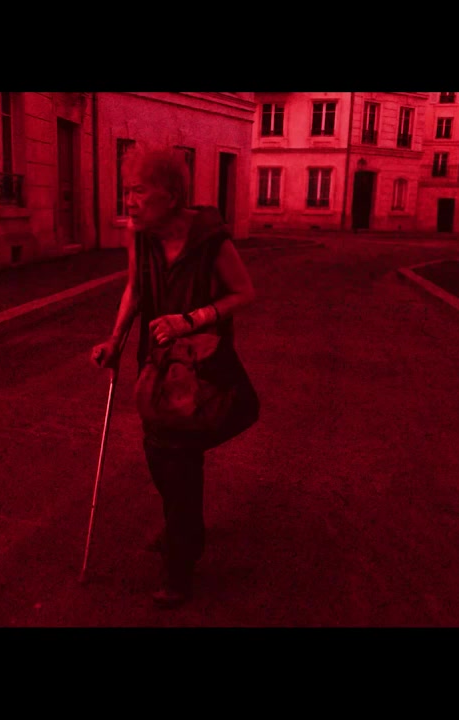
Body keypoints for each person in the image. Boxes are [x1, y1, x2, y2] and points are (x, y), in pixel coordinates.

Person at [91, 145, 258, 609]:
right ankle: (187, 530)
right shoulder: (139, 235)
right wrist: (115, 340)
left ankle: (180, 566)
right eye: (126, 191)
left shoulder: (210, 240)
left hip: (200, 363)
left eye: (138, 191)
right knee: (158, 453)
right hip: (157, 365)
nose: (128, 202)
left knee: (178, 458)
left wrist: (192, 319)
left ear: (171, 195)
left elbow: (244, 293)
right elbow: (135, 288)